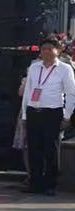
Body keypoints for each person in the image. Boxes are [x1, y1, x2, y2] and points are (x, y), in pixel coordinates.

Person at [20, 37, 75, 195]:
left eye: (50, 48)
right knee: (34, 149)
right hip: (33, 111)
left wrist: (67, 116)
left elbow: (71, 93)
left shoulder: (64, 69)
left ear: (58, 50)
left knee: (51, 149)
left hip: (52, 112)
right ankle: (35, 182)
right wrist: (24, 115)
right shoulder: (34, 68)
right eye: (43, 49)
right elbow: (28, 92)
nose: (46, 52)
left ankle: (50, 184)